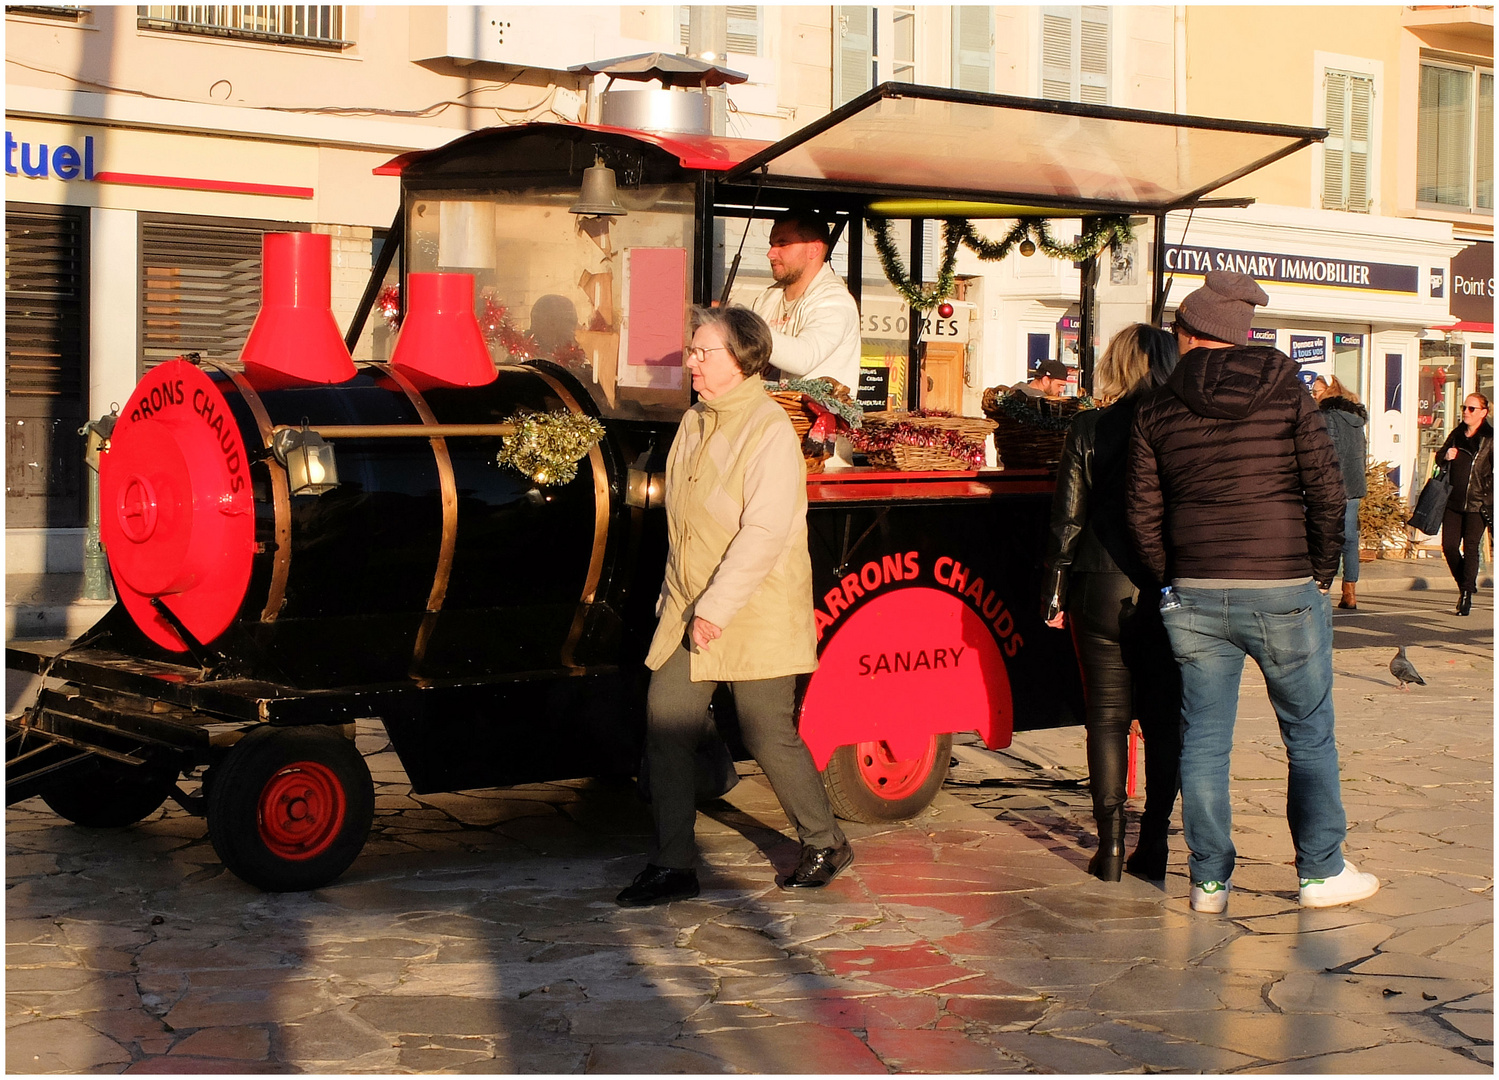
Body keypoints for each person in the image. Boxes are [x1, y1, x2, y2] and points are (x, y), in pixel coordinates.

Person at [1127, 270, 1379, 914]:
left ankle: (1209, 882)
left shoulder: (1155, 407)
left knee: (1204, 739)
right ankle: (1320, 871)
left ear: (1190, 335)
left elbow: (1142, 514)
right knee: (1308, 734)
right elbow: (1326, 489)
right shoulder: (1288, 394)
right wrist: (1320, 571)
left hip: (1195, 590)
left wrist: (1171, 576)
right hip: (1283, 584)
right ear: (1241, 335)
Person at [616, 306, 853, 907]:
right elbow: (685, 526)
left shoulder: (769, 428)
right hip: (690, 607)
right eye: (692, 350)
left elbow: (764, 530)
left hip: (755, 606)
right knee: (666, 722)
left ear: (742, 359)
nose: (690, 361)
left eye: (703, 351)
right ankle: (674, 864)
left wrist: (716, 604)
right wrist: (678, 600)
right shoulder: (694, 420)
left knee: (766, 730)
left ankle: (824, 840)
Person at [1042, 324, 1182, 882]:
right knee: (1166, 721)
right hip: (1162, 586)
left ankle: (1110, 848)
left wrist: (1054, 590)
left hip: (1096, 584)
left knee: (1106, 720)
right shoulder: (1181, 425)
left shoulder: (1089, 425)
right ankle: (1154, 843)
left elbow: (1067, 519)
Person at [749, 210, 861, 389]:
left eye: (782, 244)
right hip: (764, 414)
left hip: (811, 416)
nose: (771, 254)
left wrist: (747, 326)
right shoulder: (767, 298)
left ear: (814, 249)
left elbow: (803, 358)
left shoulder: (835, 300)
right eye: (771, 244)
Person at [1312, 376, 1368, 610]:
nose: (1313, 395)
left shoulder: (1327, 416)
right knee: (1350, 539)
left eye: (1316, 391)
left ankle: (1321, 586)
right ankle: (1349, 591)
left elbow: (1325, 453)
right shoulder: (1355, 418)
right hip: (1354, 483)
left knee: (1325, 535)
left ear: (1328, 391)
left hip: (1334, 484)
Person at [1437, 392, 1494, 616]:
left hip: (1478, 502)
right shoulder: (1457, 434)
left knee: (1470, 548)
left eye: (1471, 409)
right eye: (1464, 408)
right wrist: (1446, 455)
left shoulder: (1490, 438)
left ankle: (1466, 596)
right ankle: (1466, 584)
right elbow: (1439, 456)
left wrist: (1489, 495)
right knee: (1449, 547)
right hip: (1453, 500)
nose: (1466, 412)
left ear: (1483, 412)